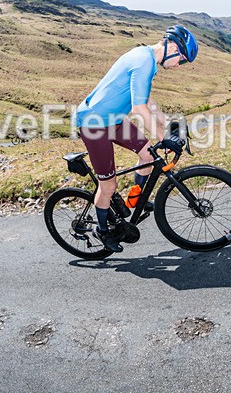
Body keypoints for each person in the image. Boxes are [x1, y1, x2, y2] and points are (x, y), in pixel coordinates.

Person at [75, 25, 198, 252]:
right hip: (94, 124)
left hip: (113, 119)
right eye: (181, 59)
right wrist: (163, 137)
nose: (179, 65)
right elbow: (139, 108)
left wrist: (168, 124)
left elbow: (148, 100)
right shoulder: (143, 61)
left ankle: (134, 201)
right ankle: (102, 231)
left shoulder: (148, 60)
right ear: (172, 47)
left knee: (147, 155)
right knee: (108, 185)